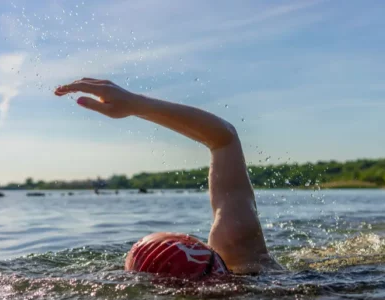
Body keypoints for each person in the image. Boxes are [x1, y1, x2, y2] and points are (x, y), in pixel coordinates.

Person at [54, 78, 282, 278]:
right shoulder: (240, 251)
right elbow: (224, 139)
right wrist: (135, 104)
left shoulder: (241, 261)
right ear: (199, 249)